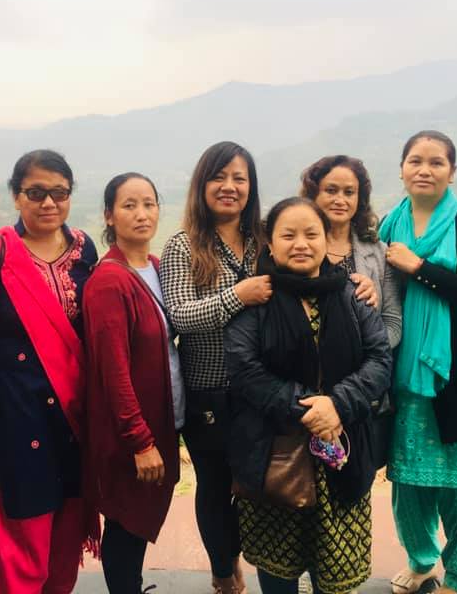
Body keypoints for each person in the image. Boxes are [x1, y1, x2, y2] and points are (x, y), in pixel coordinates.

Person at [0, 150, 100, 594]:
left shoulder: (84, 249)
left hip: (74, 414)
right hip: (18, 413)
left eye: (59, 193)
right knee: (22, 527)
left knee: (66, 527)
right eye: (35, 193)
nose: (48, 203)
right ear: (16, 196)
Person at [225, 196, 393, 594]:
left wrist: (337, 404)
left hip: (341, 452)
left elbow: (379, 358)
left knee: (333, 569)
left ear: (325, 239)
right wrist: (306, 408)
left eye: (311, 234)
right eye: (288, 235)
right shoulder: (256, 299)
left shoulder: (351, 294)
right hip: (275, 454)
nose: (300, 243)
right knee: (278, 565)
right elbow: (244, 368)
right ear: (270, 244)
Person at [381, 131, 457, 594]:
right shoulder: (389, 225)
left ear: (453, 172)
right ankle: (421, 560)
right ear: (401, 169)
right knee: (408, 483)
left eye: (437, 162)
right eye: (415, 160)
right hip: (403, 377)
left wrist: (420, 268)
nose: (425, 169)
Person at [159, 141, 272, 594]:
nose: (229, 186)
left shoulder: (265, 239)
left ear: (251, 187)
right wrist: (237, 297)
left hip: (261, 389)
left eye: (239, 178)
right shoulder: (183, 245)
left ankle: (241, 558)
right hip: (208, 390)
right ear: (202, 185)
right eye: (219, 177)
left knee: (259, 483)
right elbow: (180, 315)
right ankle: (223, 573)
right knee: (214, 486)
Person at [83, 173, 185, 594]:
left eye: (149, 204)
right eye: (129, 205)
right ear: (109, 215)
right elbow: (113, 371)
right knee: (126, 522)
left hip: (160, 420)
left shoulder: (156, 268)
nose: (142, 214)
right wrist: (140, 440)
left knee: (137, 521)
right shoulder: (109, 281)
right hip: (132, 431)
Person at [301, 154, 402, 349]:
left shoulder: (379, 253)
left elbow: (392, 322)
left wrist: (364, 354)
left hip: (366, 363)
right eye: (331, 190)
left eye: (349, 192)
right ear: (314, 194)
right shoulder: (296, 247)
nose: (340, 200)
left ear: (359, 199)